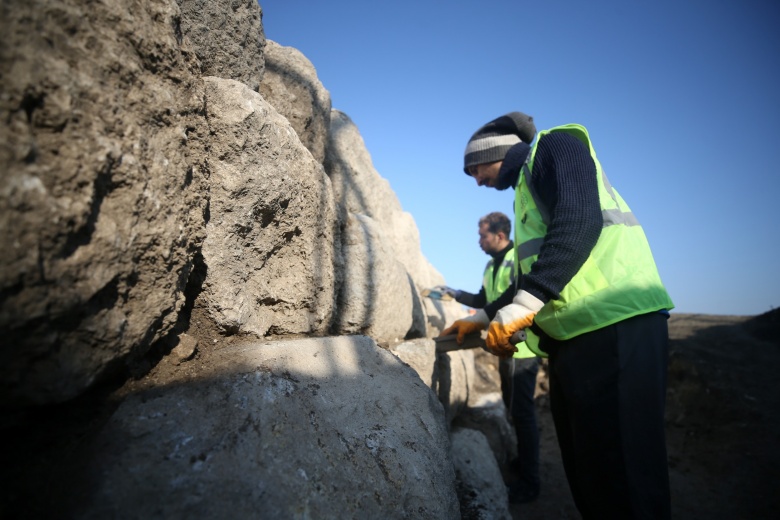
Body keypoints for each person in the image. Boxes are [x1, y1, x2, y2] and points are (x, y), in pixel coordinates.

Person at [442, 111, 675, 519]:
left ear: (495, 152)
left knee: (625, 476)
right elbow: (532, 275)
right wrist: (481, 318)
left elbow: (580, 221)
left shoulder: (556, 146)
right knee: (591, 474)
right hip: (579, 337)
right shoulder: (524, 195)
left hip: (618, 324)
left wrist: (524, 306)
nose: (476, 180)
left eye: (474, 168)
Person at [436, 211, 541, 504]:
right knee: (513, 408)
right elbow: (485, 301)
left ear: (500, 234)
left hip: (524, 347)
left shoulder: (515, 260)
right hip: (504, 346)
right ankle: (523, 463)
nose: (479, 241)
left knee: (522, 413)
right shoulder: (489, 266)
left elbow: (518, 296)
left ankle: (531, 482)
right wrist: (455, 293)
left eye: (482, 235)